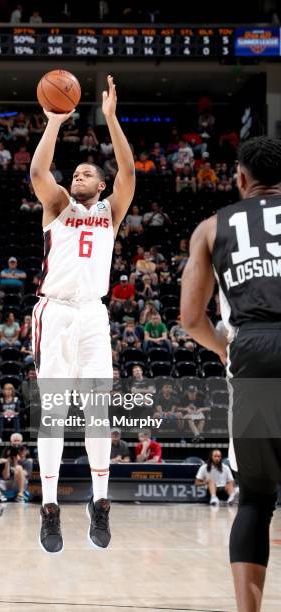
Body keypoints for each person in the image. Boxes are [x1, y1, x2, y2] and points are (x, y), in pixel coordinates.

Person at [30, 75, 135, 553]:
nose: (78, 176)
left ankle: (100, 501)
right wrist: (53, 123)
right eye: (76, 173)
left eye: (88, 173)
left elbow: (130, 173)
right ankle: (49, 508)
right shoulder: (57, 206)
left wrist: (111, 119)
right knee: (53, 412)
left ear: (103, 183)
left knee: (97, 413)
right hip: (54, 313)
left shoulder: (111, 211)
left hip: (93, 315)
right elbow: (38, 174)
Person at [180, 135, 281, 611]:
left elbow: (191, 320)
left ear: (240, 179)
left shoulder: (209, 228)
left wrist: (228, 351)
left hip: (252, 354)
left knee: (257, 499)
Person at [0, 433, 32, 503]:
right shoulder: (6, 453)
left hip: (19, 483)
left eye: (23, 450)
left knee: (19, 468)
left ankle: (20, 495)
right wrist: (7, 462)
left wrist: (16, 462)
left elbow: (24, 474)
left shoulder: (27, 462)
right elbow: (6, 477)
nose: (21, 452)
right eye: (15, 441)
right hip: (8, 483)